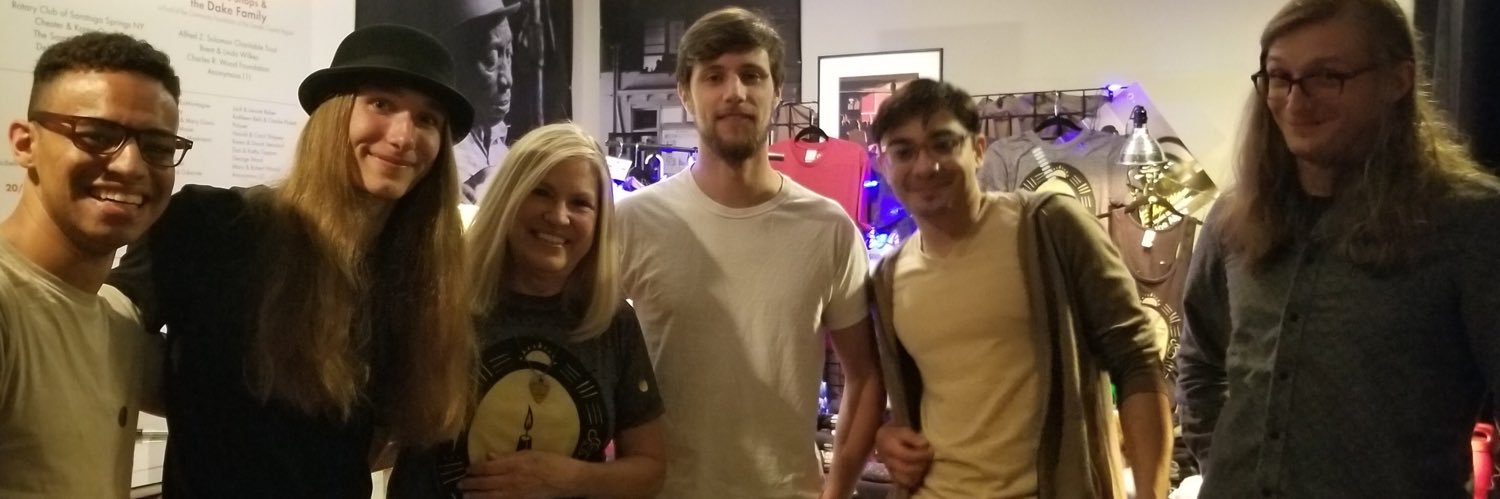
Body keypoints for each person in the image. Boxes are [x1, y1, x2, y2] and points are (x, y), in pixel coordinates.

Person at [107, 24, 477, 498]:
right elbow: (102, 331)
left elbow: (381, 437)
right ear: (334, 113)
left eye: (427, 119)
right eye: (381, 104)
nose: (404, 136)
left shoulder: (415, 278)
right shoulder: (211, 224)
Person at [1175, 0, 1500, 497]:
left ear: (1398, 80)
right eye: (1280, 77)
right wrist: (1220, 461)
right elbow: (1200, 362)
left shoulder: (1469, 224)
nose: (1295, 101)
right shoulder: (1233, 218)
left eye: (1326, 77)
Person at [616, 7, 884, 499]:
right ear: (685, 93)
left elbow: (864, 377)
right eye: (713, 76)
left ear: (777, 90)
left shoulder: (828, 229)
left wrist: (840, 489)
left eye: (751, 75)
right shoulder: (632, 221)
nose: (734, 92)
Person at [865, 78, 1172, 499]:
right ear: (882, 164)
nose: (925, 166)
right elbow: (920, 402)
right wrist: (887, 436)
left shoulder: (1050, 228)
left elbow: (1136, 362)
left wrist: (1151, 493)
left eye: (943, 144)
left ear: (978, 149)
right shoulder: (889, 278)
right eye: (904, 152)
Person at [388, 123, 666, 498]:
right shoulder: (436, 301)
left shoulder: (611, 322)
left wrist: (572, 479)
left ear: (599, 222)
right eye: (541, 192)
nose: (559, 216)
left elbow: (650, 470)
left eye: (580, 203)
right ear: (508, 198)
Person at [0, 31, 187, 499]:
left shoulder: (119, 325)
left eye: (158, 147)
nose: (130, 166)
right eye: (97, 136)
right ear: (25, 143)